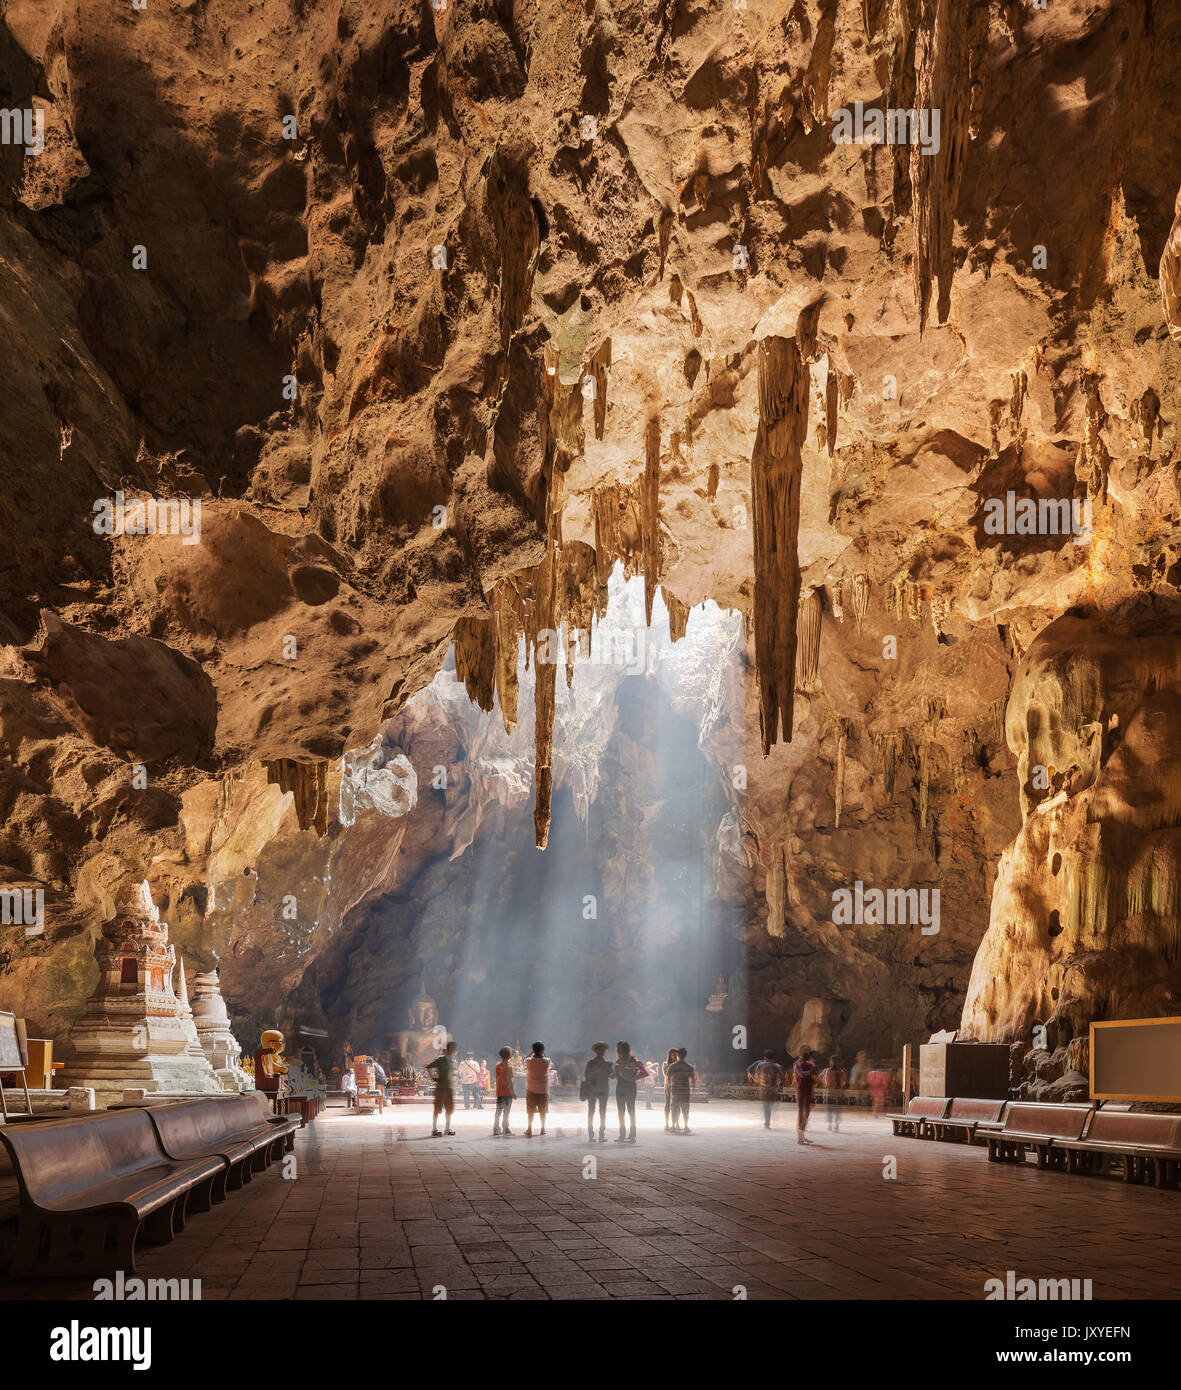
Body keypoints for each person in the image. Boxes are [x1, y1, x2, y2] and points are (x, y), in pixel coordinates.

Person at [613, 1042, 647, 1143]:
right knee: (629, 1111)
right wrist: (633, 1078)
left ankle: (624, 1135)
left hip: (623, 1088)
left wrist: (633, 1078)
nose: (621, 1052)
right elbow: (644, 1072)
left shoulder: (629, 1060)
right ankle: (630, 1135)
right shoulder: (629, 1060)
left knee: (623, 1112)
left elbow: (644, 1072)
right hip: (628, 1087)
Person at [425, 1041, 458, 1136]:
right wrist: (433, 1078)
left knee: (449, 1109)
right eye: (452, 1049)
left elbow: (454, 1075)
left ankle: (447, 1129)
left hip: (449, 1088)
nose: (453, 1051)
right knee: (437, 1109)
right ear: (448, 1050)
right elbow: (428, 1067)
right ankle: (434, 1129)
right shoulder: (440, 1059)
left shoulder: (454, 1062)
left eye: (455, 1050)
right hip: (440, 1088)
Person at [747, 1050, 785, 1128]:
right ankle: (768, 1120)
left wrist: (753, 1079)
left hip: (763, 1089)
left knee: (766, 1106)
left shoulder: (760, 1065)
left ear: (765, 1057)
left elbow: (757, 1078)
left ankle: (767, 1122)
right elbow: (781, 1078)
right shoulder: (777, 1066)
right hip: (773, 1089)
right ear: (774, 1058)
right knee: (769, 1106)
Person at [584, 1041, 613, 1142]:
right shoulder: (590, 1063)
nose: (601, 1051)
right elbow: (586, 1075)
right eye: (599, 1049)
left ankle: (601, 1133)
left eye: (603, 1050)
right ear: (595, 1051)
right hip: (595, 1090)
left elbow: (612, 1076)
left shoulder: (608, 1065)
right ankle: (591, 1134)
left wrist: (616, 1070)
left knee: (601, 1112)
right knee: (593, 1111)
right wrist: (594, 1073)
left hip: (602, 1090)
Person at [523, 1041, 552, 1137]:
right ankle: (542, 1129)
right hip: (543, 1090)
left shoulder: (529, 1060)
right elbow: (548, 1063)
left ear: (533, 1050)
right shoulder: (547, 1061)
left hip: (531, 1089)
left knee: (530, 1110)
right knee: (542, 1110)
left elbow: (525, 1061)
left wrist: (532, 1052)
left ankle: (529, 1129)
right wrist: (542, 1052)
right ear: (543, 1050)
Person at [666, 1048, 696, 1133]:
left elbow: (668, 1079)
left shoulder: (672, 1066)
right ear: (685, 1055)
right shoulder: (689, 1067)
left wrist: (668, 1089)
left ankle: (673, 1126)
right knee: (685, 1109)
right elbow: (693, 1080)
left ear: (677, 1055)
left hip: (675, 1091)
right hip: (685, 1091)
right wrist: (693, 1090)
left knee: (674, 1109)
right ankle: (686, 1126)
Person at [818, 1055, 847, 1131]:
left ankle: (830, 1125)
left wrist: (825, 1083)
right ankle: (836, 1126)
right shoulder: (842, 1071)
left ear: (832, 1062)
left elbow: (823, 1079)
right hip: (839, 1092)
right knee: (837, 1109)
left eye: (830, 1061)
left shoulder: (827, 1071)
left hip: (830, 1092)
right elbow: (843, 1083)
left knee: (829, 1109)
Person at [794, 1047, 817, 1144]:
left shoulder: (803, 1064)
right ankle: (800, 1138)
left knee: (804, 1114)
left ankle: (801, 1136)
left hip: (806, 1090)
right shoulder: (800, 1064)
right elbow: (802, 1074)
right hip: (803, 1090)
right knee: (802, 1114)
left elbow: (808, 1076)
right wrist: (811, 1070)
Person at [493, 1046, 515, 1136]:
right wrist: (513, 1092)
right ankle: (505, 1128)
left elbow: (498, 1079)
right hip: (508, 1093)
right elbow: (510, 1081)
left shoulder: (498, 1066)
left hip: (500, 1093)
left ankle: (496, 1128)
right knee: (506, 1112)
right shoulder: (509, 1067)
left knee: (498, 1111)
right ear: (510, 1056)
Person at [661, 1047, 678, 1130]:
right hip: (668, 1085)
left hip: (678, 1086)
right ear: (670, 1055)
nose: (674, 1056)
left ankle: (676, 1123)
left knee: (677, 1105)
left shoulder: (679, 1064)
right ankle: (667, 1123)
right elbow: (666, 1074)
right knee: (667, 1103)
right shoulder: (665, 1064)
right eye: (673, 1054)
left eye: (676, 1055)